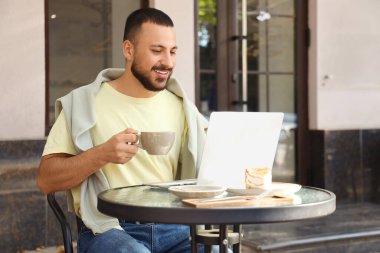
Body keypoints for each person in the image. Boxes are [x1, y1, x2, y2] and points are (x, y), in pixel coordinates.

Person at [37, 8, 209, 253]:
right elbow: (45, 180)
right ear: (128, 50)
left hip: (177, 229)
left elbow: (207, 173)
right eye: (156, 51)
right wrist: (102, 154)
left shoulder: (183, 108)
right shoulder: (83, 103)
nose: (168, 62)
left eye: (172, 52)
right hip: (109, 229)